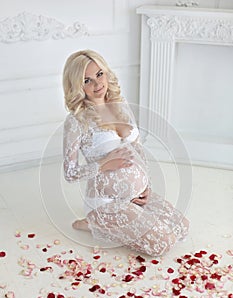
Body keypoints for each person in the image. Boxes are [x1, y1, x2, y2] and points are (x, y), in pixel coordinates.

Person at [62, 49, 189, 256]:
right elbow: (70, 173)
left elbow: (137, 148)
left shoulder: (120, 105)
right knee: (162, 244)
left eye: (99, 74)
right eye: (87, 80)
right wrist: (103, 165)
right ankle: (96, 222)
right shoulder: (77, 121)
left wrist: (146, 186)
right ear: (77, 86)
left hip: (135, 196)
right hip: (106, 202)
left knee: (181, 227)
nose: (97, 84)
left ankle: (125, 217)